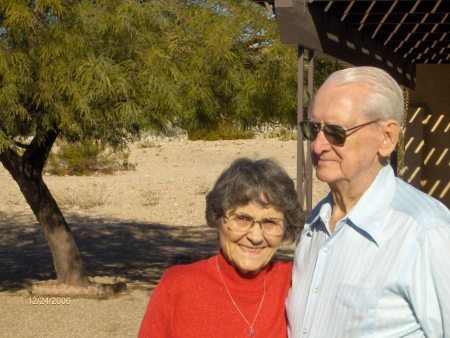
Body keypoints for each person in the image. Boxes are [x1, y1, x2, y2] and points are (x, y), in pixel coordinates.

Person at [287, 66, 450, 337]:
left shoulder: (427, 232)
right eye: (313, 129)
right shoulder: (315, 223)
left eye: (336, 133)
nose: (317, 145)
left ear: (386, 138)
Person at [139, 157, 304, 338]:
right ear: (218, 219)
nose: (255, 237)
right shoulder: (177, 286)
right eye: (242, 219)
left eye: (270, 222)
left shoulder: (296, 283)